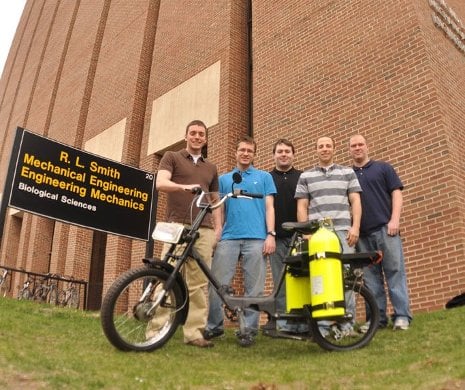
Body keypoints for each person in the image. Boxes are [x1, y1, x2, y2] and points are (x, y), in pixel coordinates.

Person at [151, 119, 222, 348]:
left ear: (206, 139)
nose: (197, 137)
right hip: (176, 226)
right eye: (193, 133)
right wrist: (185, 188)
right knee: (166, 278)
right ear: (186, 136)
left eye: (201, 134)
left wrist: (218, 228)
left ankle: (194, 333)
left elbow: (215, 200)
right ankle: (156, 329)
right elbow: (161, 183)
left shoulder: (211, 168)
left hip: (205, 228)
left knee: (199, 283)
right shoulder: (172, 157)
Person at [204, 135, 277, 347]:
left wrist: (270, 234)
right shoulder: (225, 180)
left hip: (257, 238)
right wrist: (218, 231)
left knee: (254, 289)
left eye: (249, 151)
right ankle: (214, 326)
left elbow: (269, 207)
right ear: (235, 153)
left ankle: (248, 330)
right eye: (242, 150)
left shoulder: (264, 178)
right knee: (218, 285)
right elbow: (220, 209)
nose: (245, 154)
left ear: (254, 154)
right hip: (229, 238)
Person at [295, 136, 362, 335]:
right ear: (316, 150)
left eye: (328, 146)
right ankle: (323, 326)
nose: (324, 149)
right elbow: (302, 206)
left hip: (344, 232)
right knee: (320, 277)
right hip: (318, 235)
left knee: (347, 276)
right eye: (320, 146)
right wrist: (306, 231)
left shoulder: (347, 172)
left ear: (334, 149)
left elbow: (355, 201)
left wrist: (355, 227)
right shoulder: (306, 176)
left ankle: (346, 324)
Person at [349, 134, 412, 330]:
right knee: (370, 280)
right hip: (363, 235)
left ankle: (402, 316)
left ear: (367, 146)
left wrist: (395, 220)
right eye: (353, 146)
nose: (357, 148)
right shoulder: (348, 174)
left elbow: (397, 193)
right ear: (349, 150)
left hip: (386, 229)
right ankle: (377, 320)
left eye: (360, 144)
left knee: (395, 271)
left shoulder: (383, 168)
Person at [262, 139, 303, 333]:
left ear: (293, 154)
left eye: (287, 151)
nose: (284, 154)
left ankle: (302, 322)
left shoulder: (303, 177)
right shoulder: (266, 178)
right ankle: (283, 322)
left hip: (300, 238)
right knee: (280, 281)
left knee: (300, 278)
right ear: (274, 155)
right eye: (280, 151)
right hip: (276, 238)